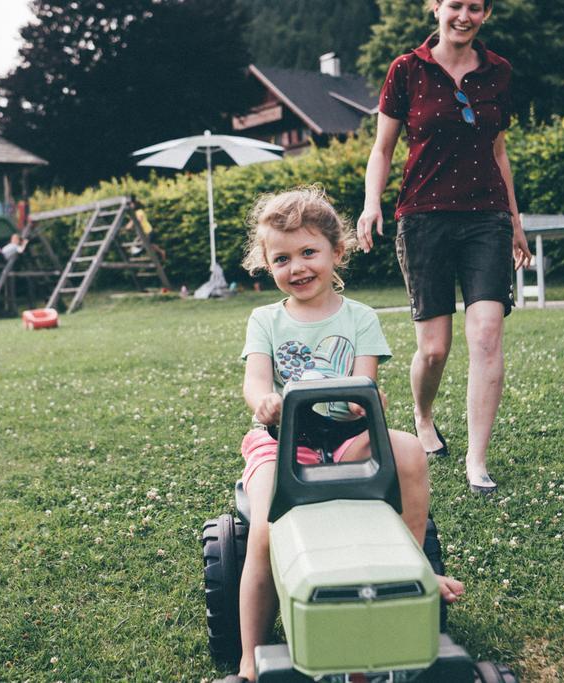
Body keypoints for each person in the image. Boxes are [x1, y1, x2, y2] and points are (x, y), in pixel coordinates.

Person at [218, 187, 464, 683]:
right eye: (283, 258)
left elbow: (363, 384)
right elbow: (256, 381)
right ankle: (250, 657)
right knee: (265, 526)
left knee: (411, 449)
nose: (298, 267)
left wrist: (360, 402)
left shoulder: (360, 318)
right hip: (283, 437)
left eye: (309, 252)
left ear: (336, 251)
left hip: (351, 434)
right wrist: (263, 400)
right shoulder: (265, 320)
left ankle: (415, 568)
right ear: (267, 264)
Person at [356, 0, 532, 495]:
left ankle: (477, 461)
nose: (464, 15)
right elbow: (382, 149)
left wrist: (515, 222)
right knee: (434, 349)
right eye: (455, 4)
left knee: (486, 334)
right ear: (435, 8)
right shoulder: (406, 70)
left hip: (486, 218)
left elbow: (498, 150)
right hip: (423, 217)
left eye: (475, 8)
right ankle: (424, 414)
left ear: (485, 14)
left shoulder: (499, 72)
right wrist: (372, 204)